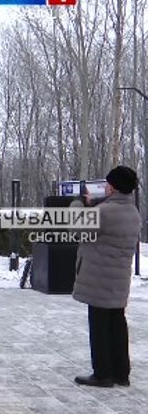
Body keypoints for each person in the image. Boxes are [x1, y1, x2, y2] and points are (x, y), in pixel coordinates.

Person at [72, 165, 141, 388]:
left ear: (113, 187)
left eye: (108, 183)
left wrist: (78, 204)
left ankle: (102, 373)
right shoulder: (133, 212)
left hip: (98, 279)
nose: (105, 186)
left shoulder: (105, 212)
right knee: (117, 323)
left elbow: (76, 227)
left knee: (99, 324)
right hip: (119, 279)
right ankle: (121, 373)